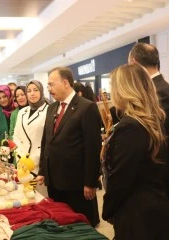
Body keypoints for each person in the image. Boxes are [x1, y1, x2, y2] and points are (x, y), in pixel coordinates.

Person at [102, 64, 169, 239]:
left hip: (137, 213)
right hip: (153, 206)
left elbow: (121, 177)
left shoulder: (130, 127)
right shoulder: (149, 121)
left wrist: (108, 208)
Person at [37, 67, 101, 227]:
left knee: (80, 226)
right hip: (54, 182)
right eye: (48, 86)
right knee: (60, 225)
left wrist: (90, 182)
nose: (49, 89)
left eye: (52, 84)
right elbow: (47, 141)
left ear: (65, 83)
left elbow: (93, 148)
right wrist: (43, 171)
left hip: (77, 184)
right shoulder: (52, 108)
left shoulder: (86, 107)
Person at [128, 42, 169, 202]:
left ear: (134, 63)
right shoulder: (157, 88)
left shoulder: (159, 91)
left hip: (160, 175)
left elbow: (157, 134)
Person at [13, 81, 48, 174]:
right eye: (29, 91)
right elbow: (16, 136)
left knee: (37, 188)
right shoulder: (22, 112)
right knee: (22, 187)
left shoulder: (49, 110)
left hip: (39, 164)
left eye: (36, 90)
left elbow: (48, 141)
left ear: (41, 91)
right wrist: (21, 156)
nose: (32, 93)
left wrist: (33, 160)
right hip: (22, 161)